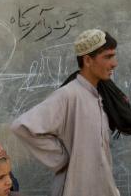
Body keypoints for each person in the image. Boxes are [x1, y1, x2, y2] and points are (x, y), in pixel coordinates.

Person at [10, 29, 120, 196]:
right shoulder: (69, 94)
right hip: (75, 188)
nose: (114, 63)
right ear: (88, 60)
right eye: (107, 57)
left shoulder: (97, 94)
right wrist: (61, 159)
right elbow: (22, 127)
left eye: (113, 56)